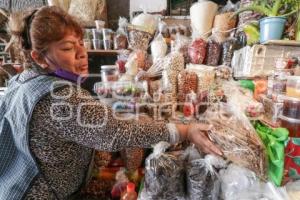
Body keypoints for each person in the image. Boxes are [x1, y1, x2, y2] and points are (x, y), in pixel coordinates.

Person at [0, 6, 222, 200]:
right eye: (67, 48)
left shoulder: (21, 81)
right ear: (38, 57)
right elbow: (117, 132)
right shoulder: (58, 97)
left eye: (81, 43)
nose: (81, 53)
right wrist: (184, 131)